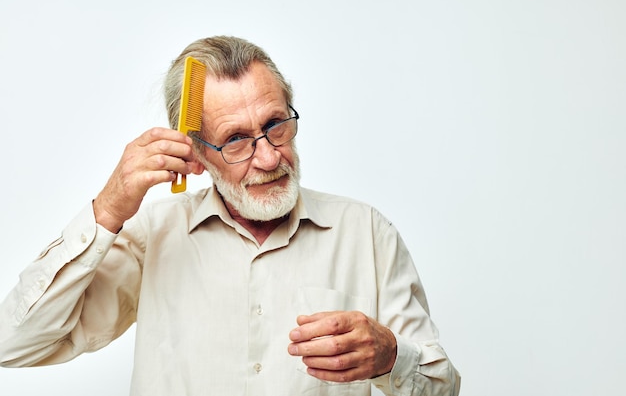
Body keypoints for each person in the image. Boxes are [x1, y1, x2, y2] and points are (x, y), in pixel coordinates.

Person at [0, 36, 460, 395]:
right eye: (236, 139)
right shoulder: (153, 237)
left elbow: (444, 388)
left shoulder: (368, 234)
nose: (267, 158)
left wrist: (391, 357)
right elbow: (15, 343)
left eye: (276, 125)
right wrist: (107, 211)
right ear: (196, 154)